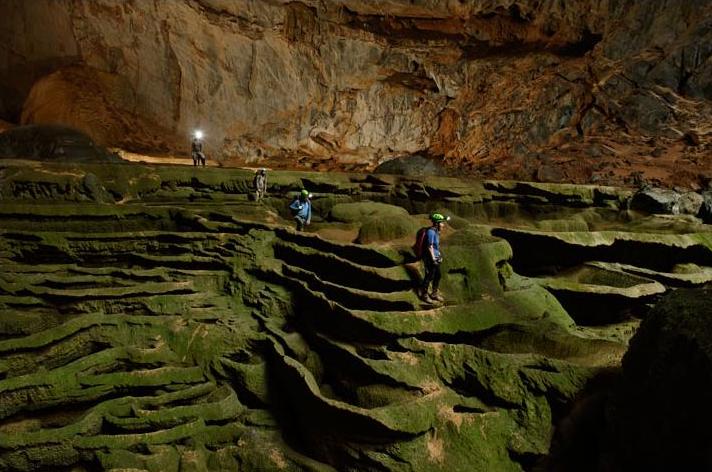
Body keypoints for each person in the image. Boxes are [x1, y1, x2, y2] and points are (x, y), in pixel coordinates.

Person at [419, 213, 450, 303]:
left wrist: (438, 255)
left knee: (438, 275)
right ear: (436, 223)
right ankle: (424, 295)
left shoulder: (436, 231)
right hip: (430, 259)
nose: (443, 225)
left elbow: (436, 246)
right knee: (429, 276)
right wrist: (433, 259)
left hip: (435, 257)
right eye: (442, 223)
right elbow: (430, 246)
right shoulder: (431, 232)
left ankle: (434, 294)